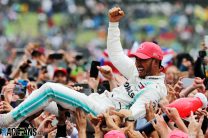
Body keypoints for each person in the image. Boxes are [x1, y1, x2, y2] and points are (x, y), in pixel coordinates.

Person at [0, 6, 167, 127]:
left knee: (49, 88)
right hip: (96, 102)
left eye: (143, 60)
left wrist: (119, 114)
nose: (137, 63)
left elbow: (134, 114)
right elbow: (116, 55)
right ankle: (11, 127)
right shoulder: (139, 72)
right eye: (137, 59)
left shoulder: (155, 88)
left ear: (156, 62)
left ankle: (5, 121)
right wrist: (113, 24)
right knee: (39, 97)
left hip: (102, 111)